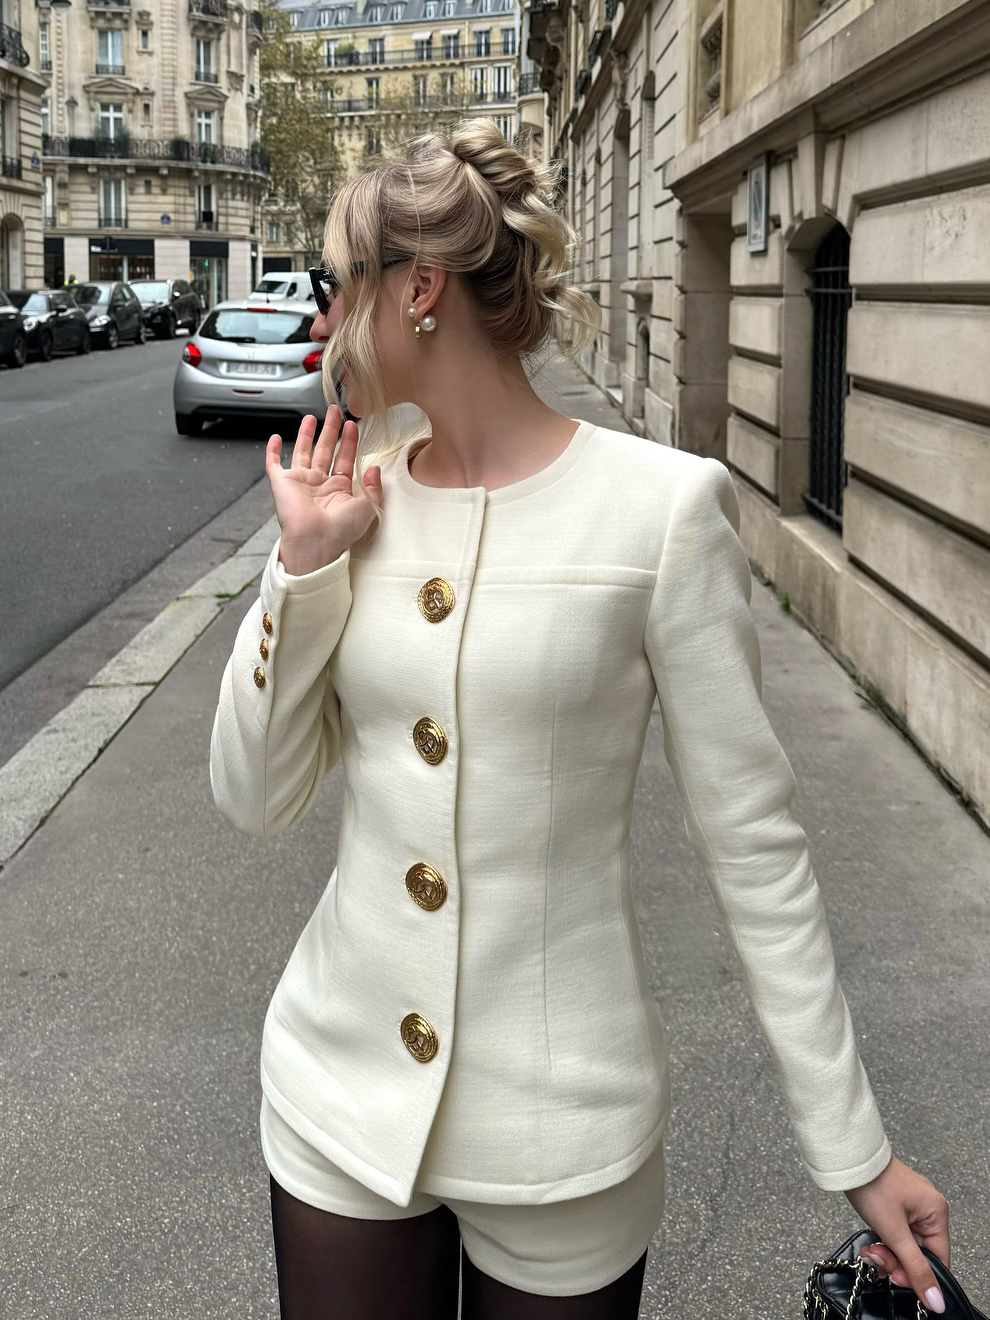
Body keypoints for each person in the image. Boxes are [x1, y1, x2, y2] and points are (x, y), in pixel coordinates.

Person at [209, 119, 950, 1319]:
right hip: (335, 1095)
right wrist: (302, 570)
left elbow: (755, 849)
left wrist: (852, 1147)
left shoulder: (661, 512)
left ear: (418, 288)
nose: (324, 316)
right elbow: (252, 798)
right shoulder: (348, 499)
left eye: (339, 283)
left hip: (562, 1131)